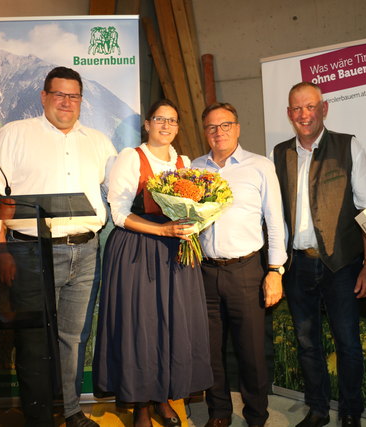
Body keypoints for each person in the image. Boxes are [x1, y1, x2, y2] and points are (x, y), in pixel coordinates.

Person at [0, 66, 117, 427]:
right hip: (31, 252)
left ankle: (72, 410)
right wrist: (0, 248)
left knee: (73, 338)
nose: (66, 102)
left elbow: (118, 191)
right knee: (32, 338)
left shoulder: (99, 141)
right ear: (43, 97)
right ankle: (39, 418)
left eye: (73, 96)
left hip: (86, 250)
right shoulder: (16, 134)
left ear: (81, 101)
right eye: (58, 94)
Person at [93, 99, 212, 427]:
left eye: (172, 121)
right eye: (159, 119)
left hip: (174, 251)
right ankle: (140, 406)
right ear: (147, 124)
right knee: (141, 326)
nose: (166, 126)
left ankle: (164, 398)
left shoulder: (185, 161)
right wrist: (161, 228)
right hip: (137, 250)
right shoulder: (131, 157)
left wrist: (192, 223)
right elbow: (117, 213)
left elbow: (191, 207)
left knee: (171, 325)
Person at [272, 82, 366, 427]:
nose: (304, 115)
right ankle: (317, 410)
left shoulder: (348, 146)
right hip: (298, 264)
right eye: (296, 109)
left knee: (348, 343)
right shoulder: (280, 152)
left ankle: (350, 412)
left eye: (310, 107)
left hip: (341, 265)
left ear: (324, 109)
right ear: (289, 114)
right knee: (307, 343)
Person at [192, 102, 287, 427]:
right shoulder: (194, 168)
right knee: (210, 351)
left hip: (247, 271)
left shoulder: (259, 166)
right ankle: (219, 413)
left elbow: (275, 222)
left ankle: (256, 415)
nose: (219, 133)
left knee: (251, 353)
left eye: (226, 125)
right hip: (204, 272)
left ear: (238, 128)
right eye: (212, 127)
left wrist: (275, 271)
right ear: (205, 132)